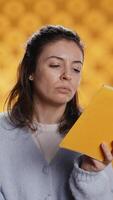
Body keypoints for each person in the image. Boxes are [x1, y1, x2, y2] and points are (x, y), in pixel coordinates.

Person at [0, 25, 113, 200]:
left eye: (76, 69)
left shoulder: (95, 133)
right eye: (55, 65)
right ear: (30, 71)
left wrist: (90, 174)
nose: (67, 75)